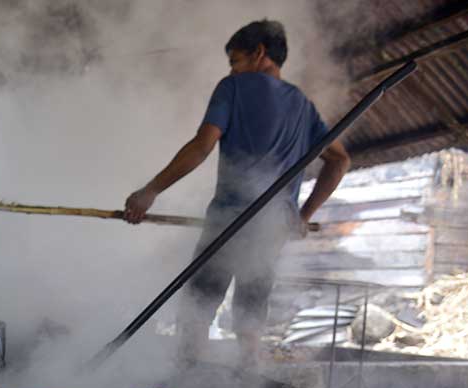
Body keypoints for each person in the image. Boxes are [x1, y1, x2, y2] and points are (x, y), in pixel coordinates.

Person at [124, 19, 350, 369]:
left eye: (235, 60)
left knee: (199, 307)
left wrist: (150, 190)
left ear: (259, 53)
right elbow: (339, 160)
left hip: (227, 222)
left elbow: (202, 146)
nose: (232, 69)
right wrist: (301, 216)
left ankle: (187, 384)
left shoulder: (233, 88)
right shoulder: (303, 107)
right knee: (251, 312)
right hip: (272, 228)